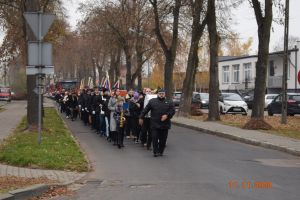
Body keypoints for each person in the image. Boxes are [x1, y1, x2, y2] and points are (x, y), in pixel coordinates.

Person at [139, 89, 175, 157]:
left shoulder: (169, 102)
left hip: (165, 124)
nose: (161, 95)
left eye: (163, 94)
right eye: (160, 93)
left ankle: (160, 151)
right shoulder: (152, 101)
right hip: (154, 123)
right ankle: (155, 151)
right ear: (158, 94)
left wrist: (167, 115)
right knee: (154, 138)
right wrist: (141, 117)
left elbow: (172, 111)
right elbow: (146, 110)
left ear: (165, 94)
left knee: (163, 139)